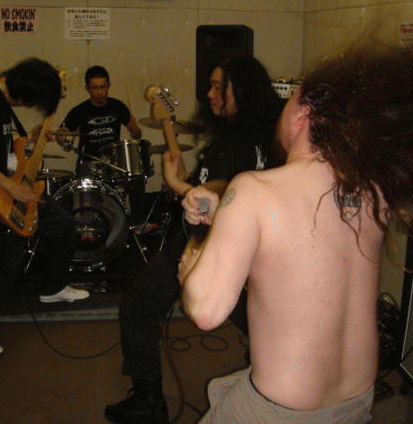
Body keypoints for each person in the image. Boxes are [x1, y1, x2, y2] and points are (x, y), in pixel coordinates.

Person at [178, 28, 413, 423]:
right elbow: (306, 241)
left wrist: (194, 261)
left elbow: (206, 311)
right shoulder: (373, 189)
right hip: (355, 403)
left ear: (303, 113)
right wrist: (228, 216)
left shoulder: (253, 189)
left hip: (279, 413)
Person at [104, 56, 286, 423]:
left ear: (242, 90)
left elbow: (220, 202)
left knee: (138, 306)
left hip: (202, 246)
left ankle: (149, 401)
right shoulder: (261, 136)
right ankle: (279, 381)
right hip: (236, 250)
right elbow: (209, 185)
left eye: (219, 87)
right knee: (258, 323)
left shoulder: (237, 143)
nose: (210, 94)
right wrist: (168, 130)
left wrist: (175, 183)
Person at [0, 58, 89, 358]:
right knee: (8, 262)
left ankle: (53, 288)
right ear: (23, 91)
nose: (28, 106)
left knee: (64, 224)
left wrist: (34, 136)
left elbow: (0, 145)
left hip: (8, 187)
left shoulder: (1, 102)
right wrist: (13, 188)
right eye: (32, 101)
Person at [57, 65, 144, 224]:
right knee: (89, 203)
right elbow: (63, 133)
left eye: (103, 87)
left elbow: (135, 132)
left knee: (136, 178)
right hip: (89, 162)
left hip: (114, 163)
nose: (100, 92)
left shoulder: (117, 106)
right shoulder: (80, 110)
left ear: (109, 86)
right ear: (87, 89)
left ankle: (136, 223)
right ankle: (88, 225)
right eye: (95, 88)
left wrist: (136, 131)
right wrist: (64, 140)